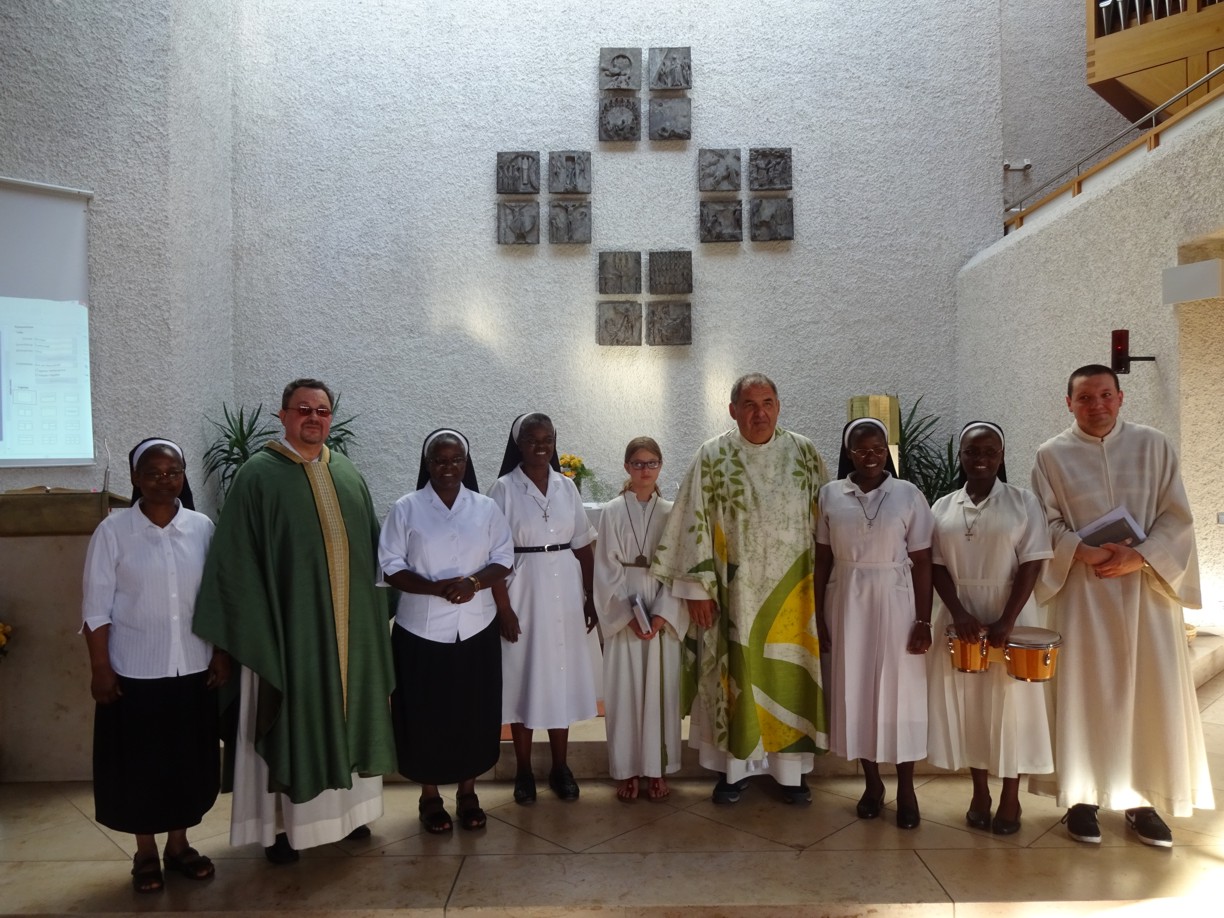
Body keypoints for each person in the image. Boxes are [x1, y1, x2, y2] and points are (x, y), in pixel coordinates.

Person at [193, 378, 396, 863]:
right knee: (293, 717)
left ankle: (349, 816)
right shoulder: (256, 476)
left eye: (322, 411)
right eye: (303, 409)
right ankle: (281, 827)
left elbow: (373, 558)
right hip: (289, 639)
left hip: (350, 637)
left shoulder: (347, 473)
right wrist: (260, 634)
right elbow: (235, 564)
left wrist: (373, 627)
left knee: (347, 715)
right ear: (283, 416)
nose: (313, 418)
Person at [1030, 364, 1213, 847]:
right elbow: (1041, 524)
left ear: (1121, 397)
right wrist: (1078, 550)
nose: (1097, 406)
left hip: (1144, 593)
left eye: (1106, 395)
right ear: (1068, 403)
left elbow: (1178, 520)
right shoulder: (1050, 456)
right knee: (1084, 692)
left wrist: (1142, 556)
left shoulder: (1155, 446)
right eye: (1085, 398)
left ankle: (1143, 800)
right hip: (1082, 592)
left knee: (1149, 692)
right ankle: (1081, 799)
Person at [652, 373, 828, 805]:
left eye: (768, 402)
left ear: (779, 405)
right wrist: (696, 590)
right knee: (734, 676)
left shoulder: (804, 453)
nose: (760, 413)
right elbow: (692, 519)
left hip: (794, 593)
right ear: (733, 410)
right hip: (734, 595)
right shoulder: (712, 456)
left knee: (789, 674)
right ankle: (733, 772)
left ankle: (791, 774)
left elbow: (827, 519)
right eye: (749, 405)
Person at [81, 438, 224, 893]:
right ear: (135, 479)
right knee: (139, 767)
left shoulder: (202, 527)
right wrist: (100, 668)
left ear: (184, 476)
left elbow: (218, 599)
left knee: (187, 762)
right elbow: (95, 607)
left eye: (173, 472)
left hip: (193, 668)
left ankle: (179, 846)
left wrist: (220, 652)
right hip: (133, 672)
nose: (164, 481)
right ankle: (145, 852)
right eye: (153, 473)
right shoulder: (113, 531)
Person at [378, 429, 513, 833]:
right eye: (440, 460)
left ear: (466, 465)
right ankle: (430, 795)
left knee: (473, 712)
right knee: (425, 715)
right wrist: (438, 588)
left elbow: (503, 558)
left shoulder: (486, 508)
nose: (448, 467)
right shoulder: (406, 509)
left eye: (456, 460)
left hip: (476, 628)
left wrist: (471, 584)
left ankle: (468, 793)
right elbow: (389, 565)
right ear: (427, 464)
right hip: (421, 632)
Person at [925, 422, 1054, 835]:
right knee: (972, 706)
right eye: (971, 451)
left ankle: (1011, 796)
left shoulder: (1022, 502)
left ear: (1001, 456)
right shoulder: (942, 506)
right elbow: (935, 566)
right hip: (960, 616)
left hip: (1009, 612)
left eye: (990, 452)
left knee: (1011, 705)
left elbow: (1033, 562)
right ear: (960, 456)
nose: (980, 459)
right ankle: (979, 791)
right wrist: (959, 613)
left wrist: (1007, 621)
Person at [814, 418, 934, 829]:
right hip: (846, 599)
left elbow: (922, 562)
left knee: (900, 693)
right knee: (858, 690)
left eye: (879, 448)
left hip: (897, 600)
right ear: (848, 452)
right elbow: (822, 560)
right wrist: (818, 617)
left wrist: (924, 619)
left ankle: (905, 788)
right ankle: (871, 785)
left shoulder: (908, 494)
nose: (871, 456)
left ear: (888, 451)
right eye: (862, 449)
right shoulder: (830, 494)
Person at [489, 413, 599, 804]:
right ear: (518, 444)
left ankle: (560, 766)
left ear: (555, 442)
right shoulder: (502, 490)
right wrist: (504, 609)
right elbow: (493, 556)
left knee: (560, 681)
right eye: (532, 439)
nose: (541, 445)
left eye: (547, 438)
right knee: (524, 679)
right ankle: (522, 770)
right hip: (522, 596)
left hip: (565, 594)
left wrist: (591, 597)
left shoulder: (566, 487)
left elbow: (584, 546)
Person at [594, 437, 689, 801]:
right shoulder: (612, 511)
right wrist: (628, 615)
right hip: (625, 605)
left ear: (661, 466)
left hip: (662, 599)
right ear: (626, 467)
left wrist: (663, 614)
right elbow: (604, 569)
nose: (644, 470)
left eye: (651, 463)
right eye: (637, 463)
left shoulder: (671, 511)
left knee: (660, 693)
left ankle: (657, 769)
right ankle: (627, 770)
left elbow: (680, 564)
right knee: (625, 693)